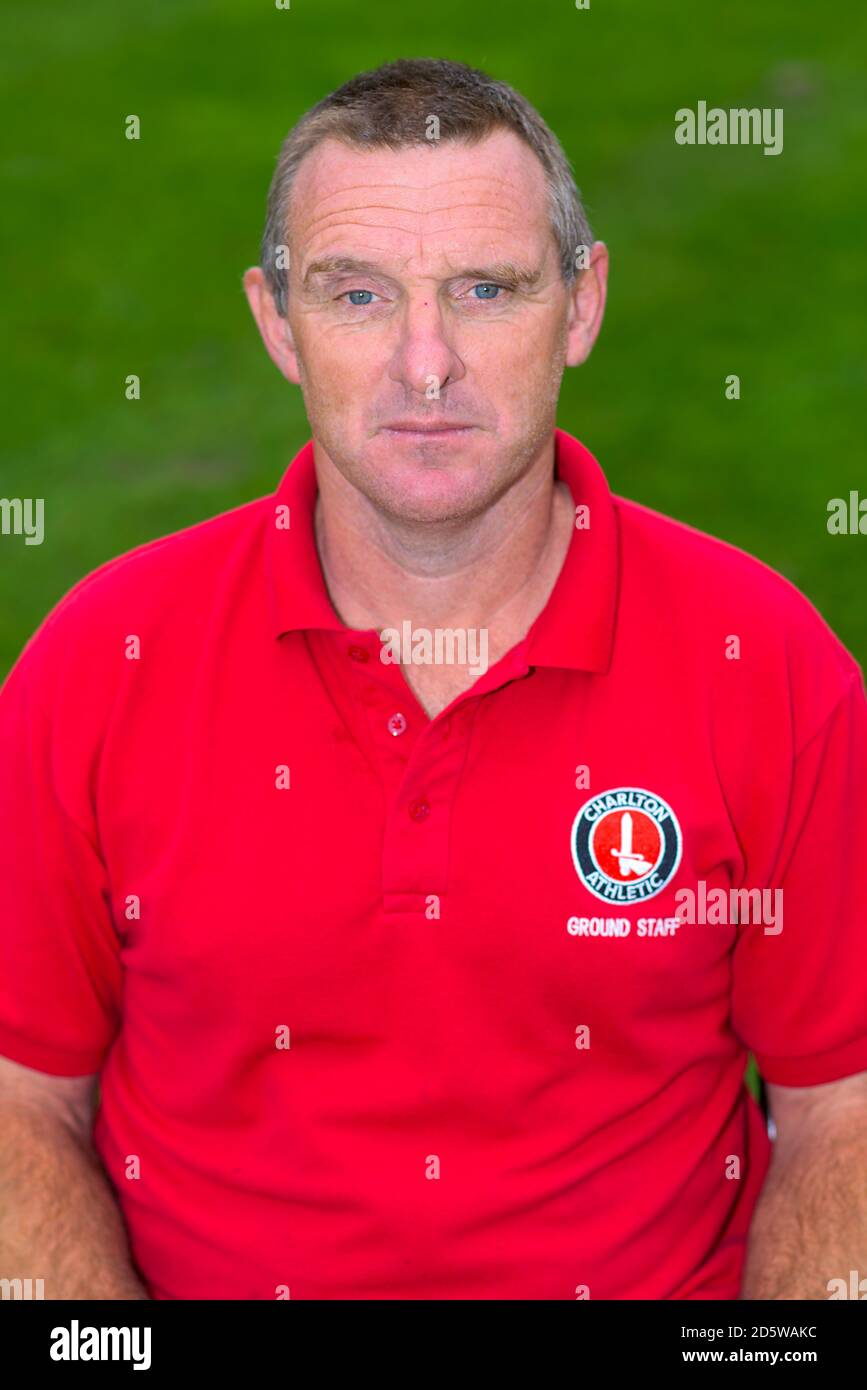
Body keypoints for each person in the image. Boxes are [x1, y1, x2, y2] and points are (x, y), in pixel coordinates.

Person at [0, 58, 865, 1302]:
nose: (426, 364)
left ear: (582, 303)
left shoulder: (766, 662)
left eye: (486, 289)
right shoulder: (101, 660)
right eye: (357, 294)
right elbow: (21, 1095)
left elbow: (843, 1108)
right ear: (274, 319)